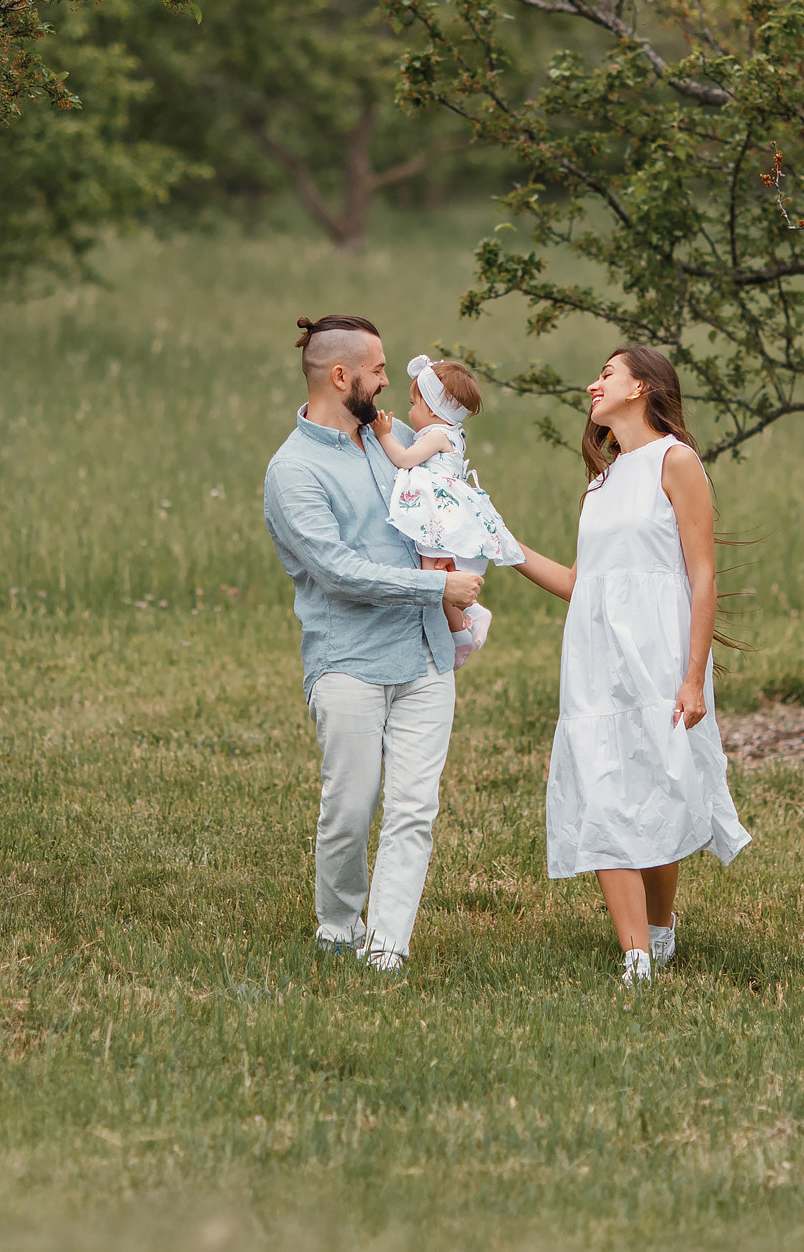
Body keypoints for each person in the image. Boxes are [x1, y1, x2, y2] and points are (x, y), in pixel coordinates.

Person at [506, 346, 752, 983]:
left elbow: (701, 575)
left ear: (640, 387)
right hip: (595, 657)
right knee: (605, 791)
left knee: (658, 788)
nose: (593, 384)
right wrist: (503, 544)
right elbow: (581, 582)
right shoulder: (599, 484)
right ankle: (635, 955)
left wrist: (693, 676)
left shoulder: (676, 462)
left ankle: (661, 932)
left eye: (606, 375)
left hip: (659, 653)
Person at [262, 315, 485, 973]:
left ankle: (388, 944)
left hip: (425, 656)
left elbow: (449, 511)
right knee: (351, 806)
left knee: (414, 808)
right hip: (349, 660)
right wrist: (432, 588)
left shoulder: (401, 442)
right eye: (379, 369)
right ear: (341, 375)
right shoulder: (292, 470)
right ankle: (338, 929)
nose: (390, 381)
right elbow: (336, 571)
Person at [371, 354, 525, 669]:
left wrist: (384, 434)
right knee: (439, 574)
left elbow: (404, 459)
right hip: (444, 510)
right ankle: (463, 629)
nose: (410, 412)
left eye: (414, 405)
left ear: (431, 409)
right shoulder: (451, 433)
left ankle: (466, 624)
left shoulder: (437, 435)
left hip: (438, 514)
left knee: (433, 576)